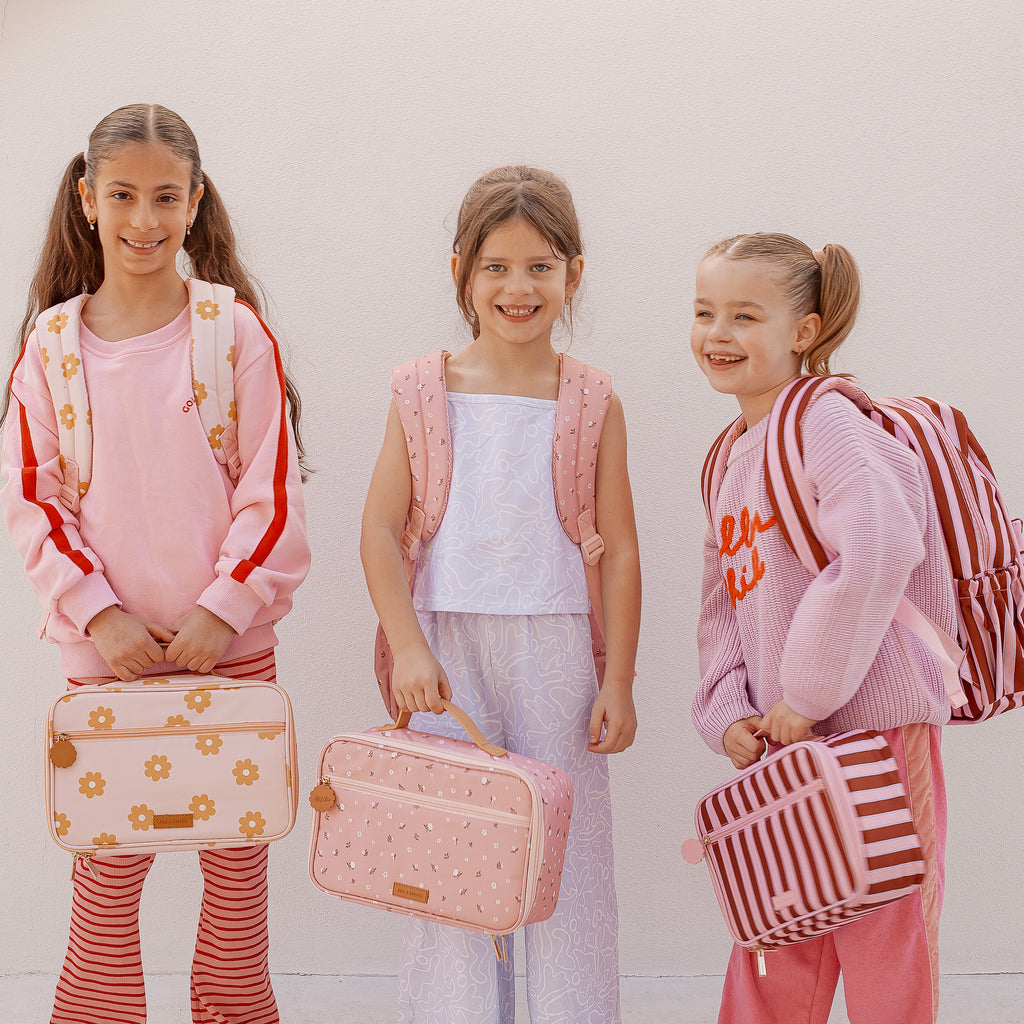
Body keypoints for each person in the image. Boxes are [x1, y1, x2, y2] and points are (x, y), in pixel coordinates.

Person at [0, 103, 310, 1024]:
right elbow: (33, 502)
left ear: (196, 201)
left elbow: (272, 492)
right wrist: (101, 616)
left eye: (166, 197)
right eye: (124, 195)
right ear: (87, 199)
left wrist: (223, 610)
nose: (145, 219)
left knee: (238, 869)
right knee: (105, 871)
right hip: (108, 662)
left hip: (231, 654)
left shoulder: (233, 332)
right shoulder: (50, 349)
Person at [361, 165, 641, 1024]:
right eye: (496, 266)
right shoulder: (420, 390)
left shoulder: (593, 398)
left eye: (540, 266)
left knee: (565, 855)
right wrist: (409, 646)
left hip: (557, 652)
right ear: (461, 272)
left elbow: (622, 551)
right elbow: (380, 531)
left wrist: (619, 682)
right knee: (452, 849)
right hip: (446, 653)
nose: (519, 287)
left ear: (574, 273)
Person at [690, 232, 953, 1024]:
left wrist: (805, 692)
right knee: (775, 935)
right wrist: (727, 711)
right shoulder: (730, 454)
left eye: (745, 316)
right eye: (704, 312)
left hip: (875, 732)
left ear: (803, 331)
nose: (718, 334)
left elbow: (881, 546)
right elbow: (722, 603)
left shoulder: (828, 421)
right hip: (786, 745)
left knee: (886, 936)